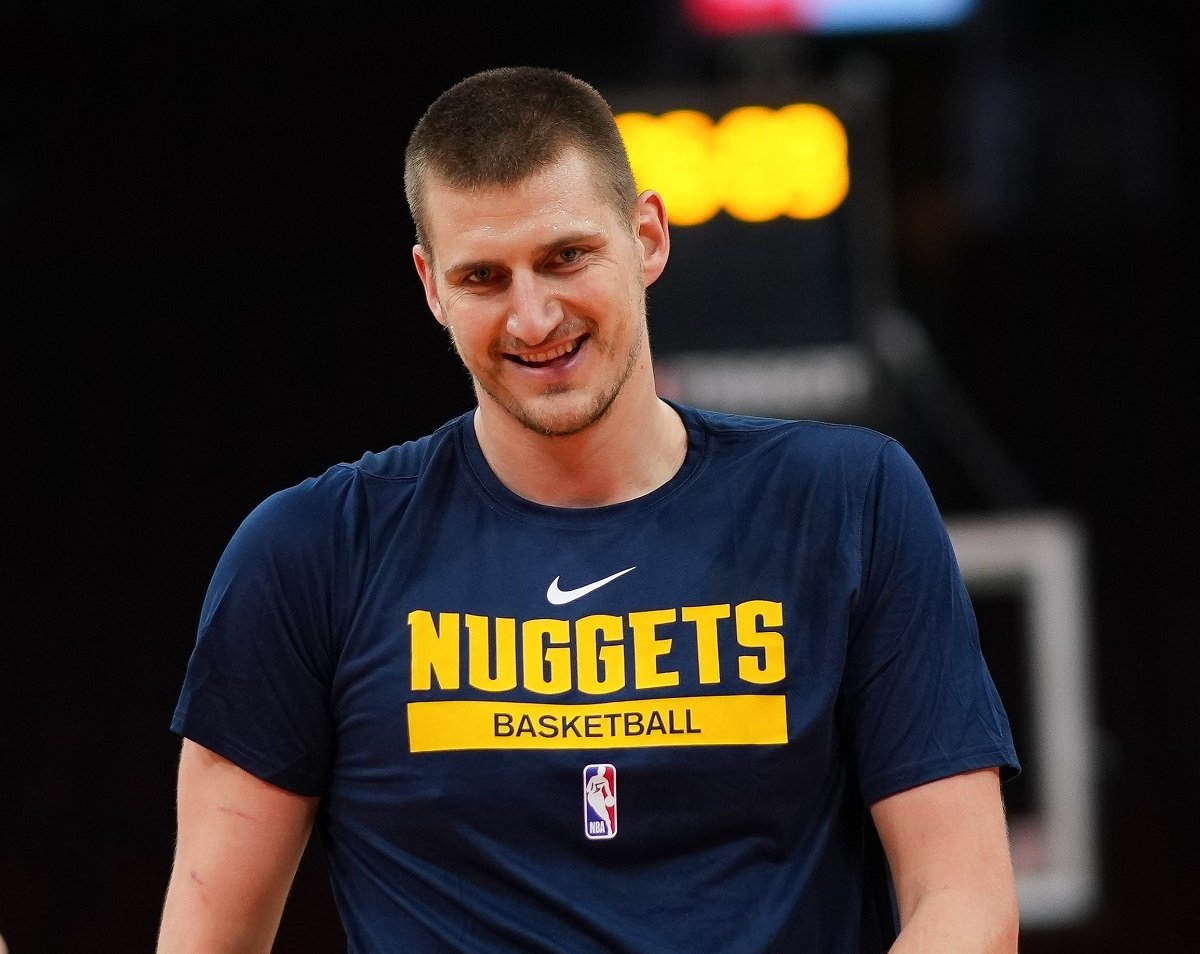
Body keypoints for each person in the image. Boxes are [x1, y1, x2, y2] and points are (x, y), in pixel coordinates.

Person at [157, 66, 1021, 952]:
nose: (533, 318)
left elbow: (964, 903)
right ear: (430, 286)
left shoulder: (851, 501)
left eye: (566, 257)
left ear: (647, 236)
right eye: (485, 277)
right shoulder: (308, 552)